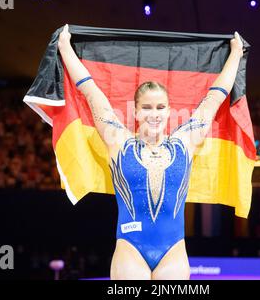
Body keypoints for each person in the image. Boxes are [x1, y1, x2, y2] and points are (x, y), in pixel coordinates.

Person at [58, 24, 244, 280]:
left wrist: (235, 53)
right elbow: (91, 91)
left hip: (174, 252)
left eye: (160, 107)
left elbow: (215, 97)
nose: (154, 114)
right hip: (130, 250)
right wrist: (64, 47)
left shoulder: (185, 142)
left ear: (169, 110)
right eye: (147, 107)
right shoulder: (118, 141)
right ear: (135, 111)